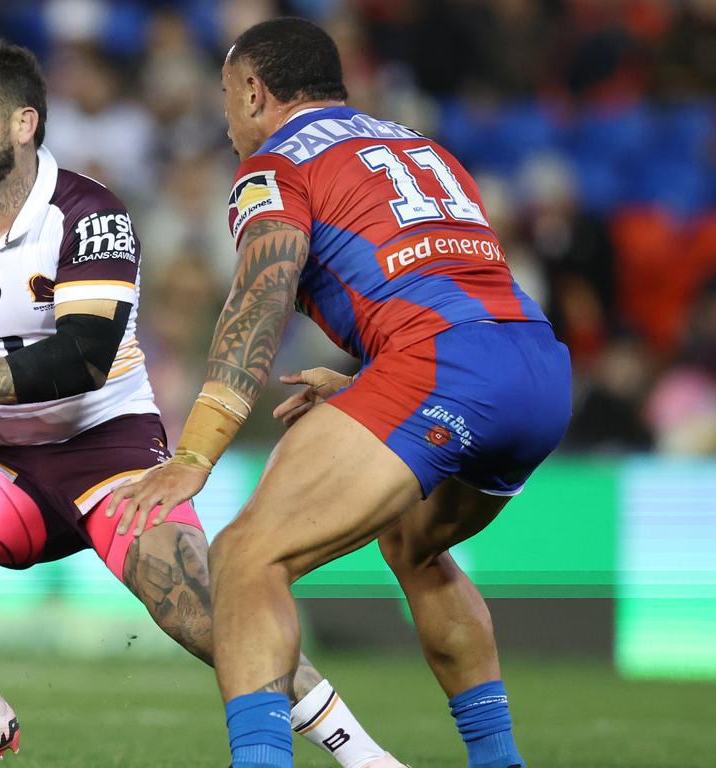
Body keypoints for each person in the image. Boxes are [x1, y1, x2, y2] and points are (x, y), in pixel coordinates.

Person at [0, 41, 403, 768]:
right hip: (7, 469)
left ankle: (366, 757)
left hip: (113, 455)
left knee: (208, 615)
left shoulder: (88, 214)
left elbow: (82, 358)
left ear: (23, 123)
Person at [108, 17, 572, 768]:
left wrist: (194, 453)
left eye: (227, 96)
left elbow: (259, 301)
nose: (227, 118)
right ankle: (499, 761)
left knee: (245, 559)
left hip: (440, 368)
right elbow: (447, 281)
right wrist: (368, 378)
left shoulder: (273, 163)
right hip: (538, 369)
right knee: (414, 544)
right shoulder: (421, 147)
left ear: (254, 92)